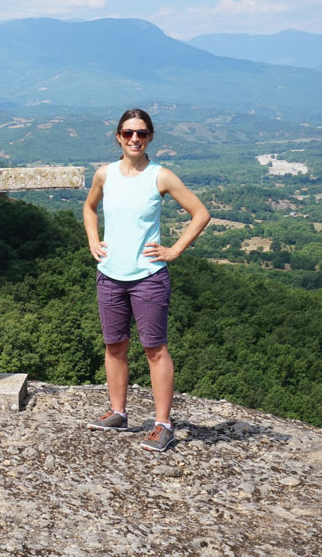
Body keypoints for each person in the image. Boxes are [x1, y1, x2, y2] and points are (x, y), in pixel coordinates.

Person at [82, 109, 210, 452]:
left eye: (141, 133)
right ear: (118, 136)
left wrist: (175, 250)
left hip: (148, 277)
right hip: (110, 275)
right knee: (114, 346)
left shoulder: (161, 176)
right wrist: (93, 240)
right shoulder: (104, 174)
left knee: (154, 349)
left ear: (150, 136)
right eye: (127, 133)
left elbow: (200, 213)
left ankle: (163, 424)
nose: (134, 139)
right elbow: (89, 208)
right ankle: (118, 413)